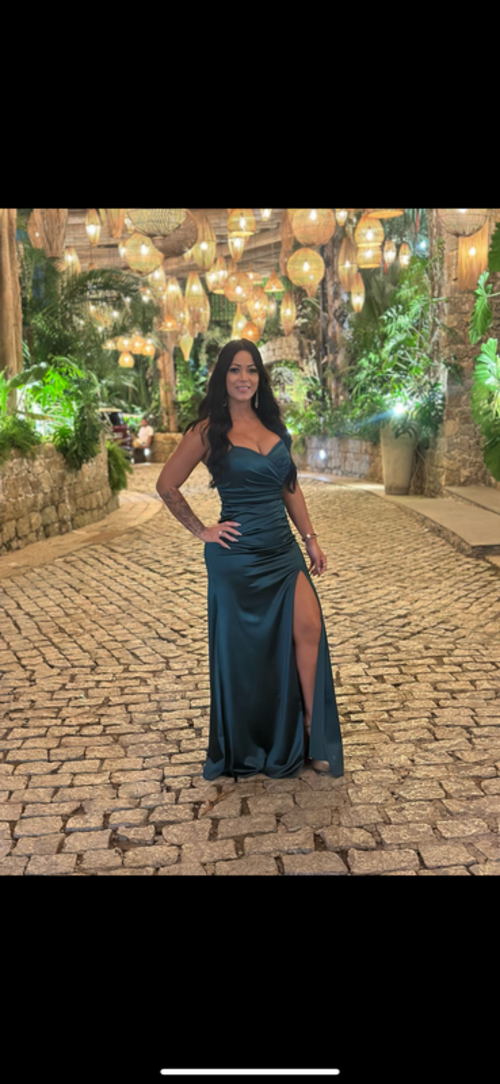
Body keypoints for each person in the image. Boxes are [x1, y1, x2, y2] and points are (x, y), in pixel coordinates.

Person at [155, 338, 344, 781]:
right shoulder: (207, 432)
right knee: (247, 654)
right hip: (236, 557)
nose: (244, 378)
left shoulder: (274, 426)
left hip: (282, 549)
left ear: (261, 377)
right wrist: (202, 530)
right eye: (235, 369)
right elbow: (166, 485)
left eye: (252, 370)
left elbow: (290, 487)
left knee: (309, 628)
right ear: (223, 377)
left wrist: (310, 540)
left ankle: (312, 734)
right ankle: (253, 740)